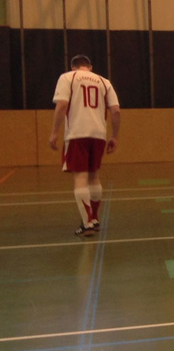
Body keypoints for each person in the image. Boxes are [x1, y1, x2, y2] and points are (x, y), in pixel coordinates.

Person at [49, 55, 121, 236]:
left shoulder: (68, 77)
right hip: (98, 134)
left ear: (73, 67)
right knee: (94, 176)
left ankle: (87, 223)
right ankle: (94, 219)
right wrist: (114, 136)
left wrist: (55, 132)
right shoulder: (104, 82)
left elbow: (62, 105)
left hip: (77, 133)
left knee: (80, 177)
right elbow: (116, 110)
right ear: (90, 66)